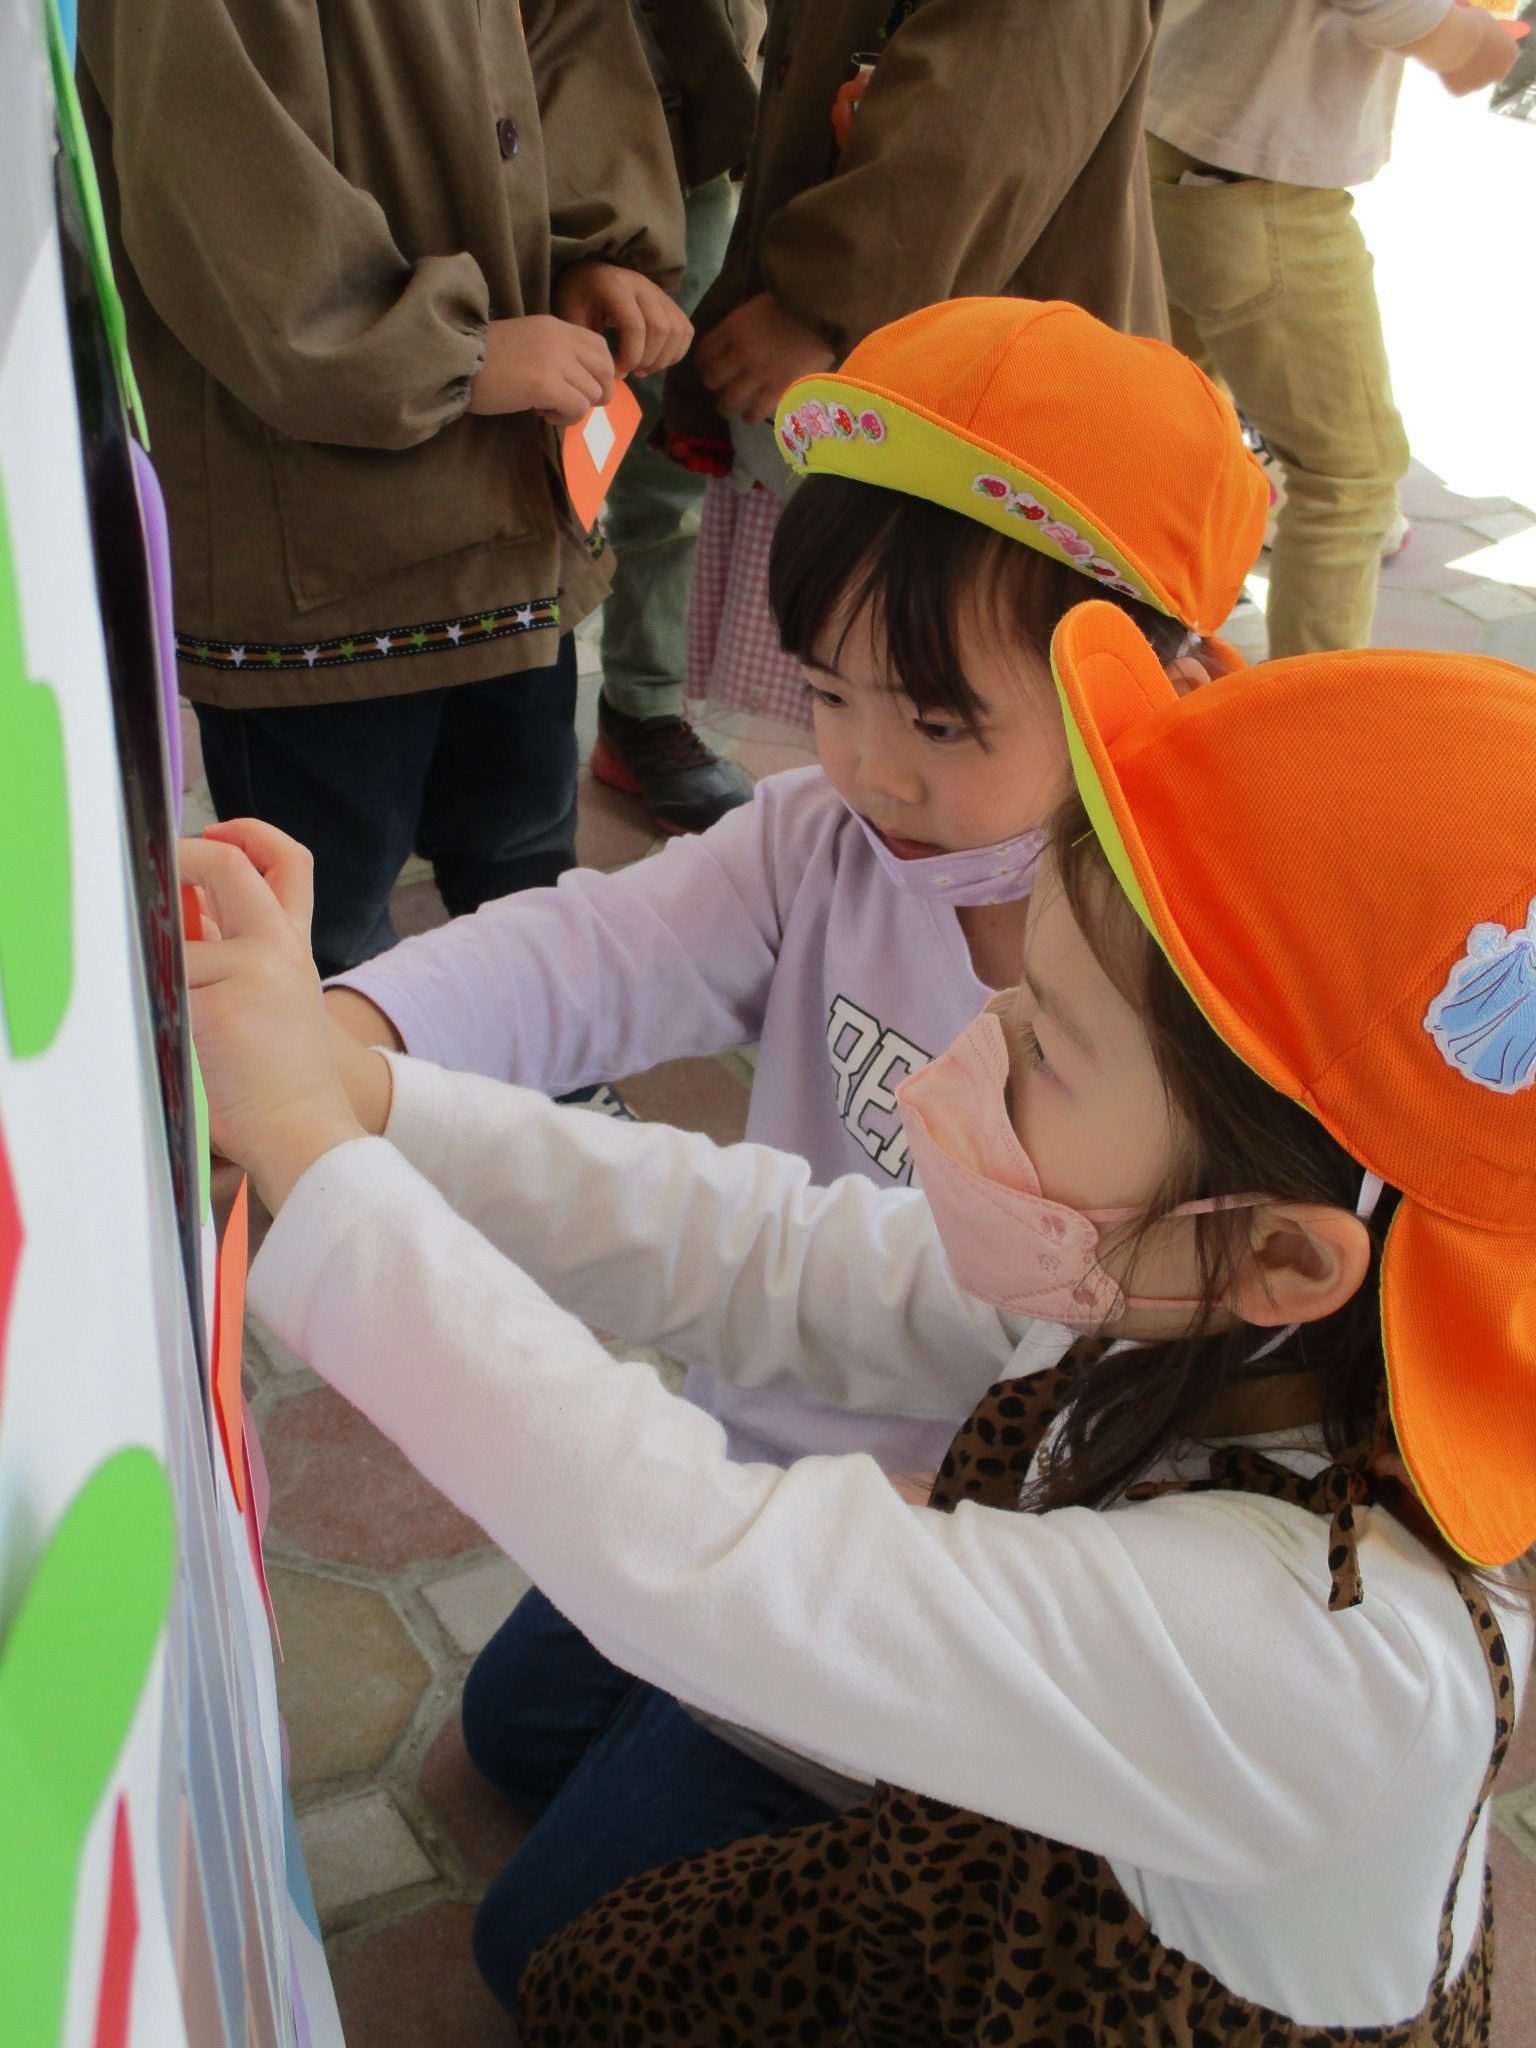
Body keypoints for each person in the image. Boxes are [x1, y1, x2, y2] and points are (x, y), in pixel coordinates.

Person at [182, 602, 1535, 2039]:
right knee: (540, 1777)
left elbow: (700, 1561)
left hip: (1068, 1987)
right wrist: (370, 1102)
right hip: (1007, 1858)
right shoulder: (1187, 1293)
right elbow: (771, 1251)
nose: (971, 1049)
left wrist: (313, 1157)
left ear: (1281, 1251)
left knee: (549, 1959)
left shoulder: (1329, 1654)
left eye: (1048, 1045)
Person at [320, 294, 1268, 2001]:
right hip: (758, 1446)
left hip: (953, 1557)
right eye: (829, 692)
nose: (869, 765)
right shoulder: (819, 838)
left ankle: (926, 1838)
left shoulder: (1190, 985)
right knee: (516, 1731)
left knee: (547, 1949)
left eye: (943, 722)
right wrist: (356, 1032)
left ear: (1152, 691)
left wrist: (988, 1558)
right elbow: (596, 951)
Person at [78, 0, 690, 979]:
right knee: (324, 923)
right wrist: (454, 352)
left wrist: (590, 251)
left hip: (513, 523)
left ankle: (529, 1067)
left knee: (527, 869)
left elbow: (572, 36)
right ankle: (345, 1077)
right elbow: (217, 187)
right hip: (318, 550)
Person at [659, 0, 1172, 742]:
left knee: (953, 701)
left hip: (954, 379)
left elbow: (994, 107)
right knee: (875, 705)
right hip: (892, 353)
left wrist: (819, 300)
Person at [1145, 0, 1529, 658]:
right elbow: (1394, 10)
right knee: (1350, 479)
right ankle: (1311, 717)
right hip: (1253, 181)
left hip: (1172, 139)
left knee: (1168, 418)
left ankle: (1131, 653)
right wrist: (1480, 46)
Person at [587, 1, 766, 835]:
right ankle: (476, 710)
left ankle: (643, 706)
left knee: (675, 450)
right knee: (497, 456)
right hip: (483, 145)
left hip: (678, 131)